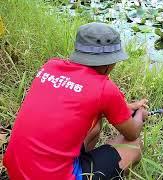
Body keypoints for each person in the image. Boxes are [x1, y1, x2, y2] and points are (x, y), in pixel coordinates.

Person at [4, 22, 148, 180]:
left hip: (16, 171)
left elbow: (80, 101)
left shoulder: (50, 67)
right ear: (109, 63)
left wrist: (127, 107)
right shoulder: (104, 88)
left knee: (95, 125)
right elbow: (132, 132)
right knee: (134, 145)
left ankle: (78, 164)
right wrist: (140, 114)